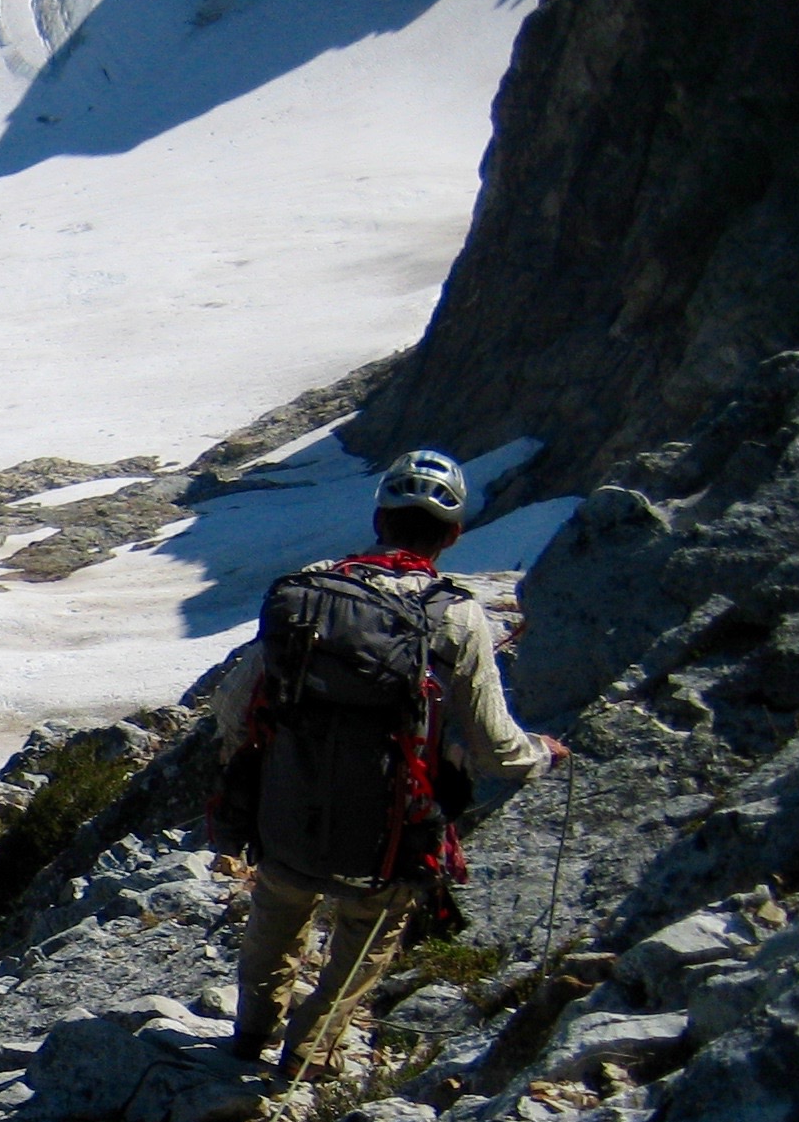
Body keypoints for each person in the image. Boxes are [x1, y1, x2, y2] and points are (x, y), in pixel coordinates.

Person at [211, 448, 569, 1078]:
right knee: (364, 939)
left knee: (277, 915)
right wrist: (542, 755)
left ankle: (250, 1036)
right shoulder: (455, 617)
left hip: (288, 812)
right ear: (453, 535)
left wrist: (269, 766)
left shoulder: (310, 591)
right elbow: (494, 744)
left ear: (379, 521)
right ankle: (305, 1056)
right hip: (388, 833)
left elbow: (236, 705)